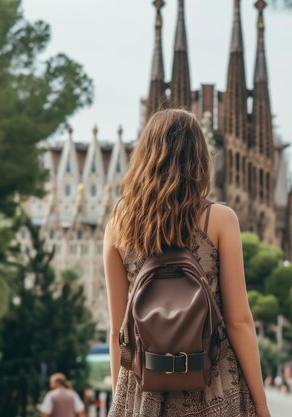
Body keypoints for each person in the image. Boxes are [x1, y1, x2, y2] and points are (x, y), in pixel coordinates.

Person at [103, 109, 270, 417]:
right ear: (199, 159)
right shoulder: (219, 219)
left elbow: (117, 331)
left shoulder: (118, 224)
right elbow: (238, 322)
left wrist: (122, 399)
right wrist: (261, 405)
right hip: (213, 382)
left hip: (144, 384)